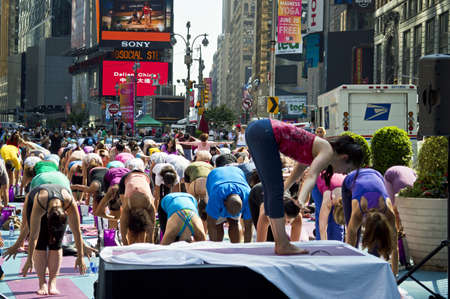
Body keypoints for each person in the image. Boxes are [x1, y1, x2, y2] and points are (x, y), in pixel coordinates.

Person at [245, 118, 364, 255]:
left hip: (256, 130)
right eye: (347, 169)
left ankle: (281, 243)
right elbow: (312, 175)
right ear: (344, 157)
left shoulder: (318, 149)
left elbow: (299, 170)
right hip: (264, 132)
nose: (344, 173)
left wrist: (285, 187)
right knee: (274, 191)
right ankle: (282, 244)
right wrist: (301, 199)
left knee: (272, 190)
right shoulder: (327, 151)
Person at [5, 184, 86, 295]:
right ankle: (42, 282)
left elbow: (77, 232)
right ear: (47, 214)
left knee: (57, 243)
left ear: (65, 212)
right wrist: (29, 259)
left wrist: (81, 257)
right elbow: (33, 236)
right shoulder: (39, 202)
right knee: (40, 242)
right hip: (38, 197)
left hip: (59, 196)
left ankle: (52, 282)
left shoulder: (69, 202)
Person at [341, 168, 398, 274]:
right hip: (352, 178)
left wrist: (395, 277)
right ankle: (355, 269)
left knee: (377, 244)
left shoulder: (389, 213)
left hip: (376, 174)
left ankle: (372, 269)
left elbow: (395, 247)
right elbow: (350, 241)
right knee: (353, 234)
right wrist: (348, 272)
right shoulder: (359, 209)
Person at [206, 166, 253, 243]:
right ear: (224, 203)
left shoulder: (247, 197)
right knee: (218, 224)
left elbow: (248, 227)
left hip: (237, 173)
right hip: (214, 177)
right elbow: (211, 224)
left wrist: (246, 251)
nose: (229, 215)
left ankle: (235, 248)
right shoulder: (216, 196)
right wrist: (214, 249)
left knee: (234, 222)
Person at [119, 170, 155, 245]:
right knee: (131, 232)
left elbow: (151, 233)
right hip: (126, 178)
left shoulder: (150, 205)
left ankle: (138, 239)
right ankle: (133, 237)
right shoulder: (127, 207)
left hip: (146, 178)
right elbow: (123, 233)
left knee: (143, 233)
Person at [383, 166, 417, 231]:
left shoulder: (387, 175)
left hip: (397, 180)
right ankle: (403, 229)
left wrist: (392, 205)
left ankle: (397, 230)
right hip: (412, 182)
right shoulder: (409, 169)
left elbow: (390, 197)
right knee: (407, 208)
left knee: (393, 208)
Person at [315, 172, 346, 241]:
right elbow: (322, 227)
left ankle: (337, 244)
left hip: (338, 179)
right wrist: (324, 244)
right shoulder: (328, 200)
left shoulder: (349, 197)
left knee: (338, 224)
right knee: (323, 217)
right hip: (319, 179)